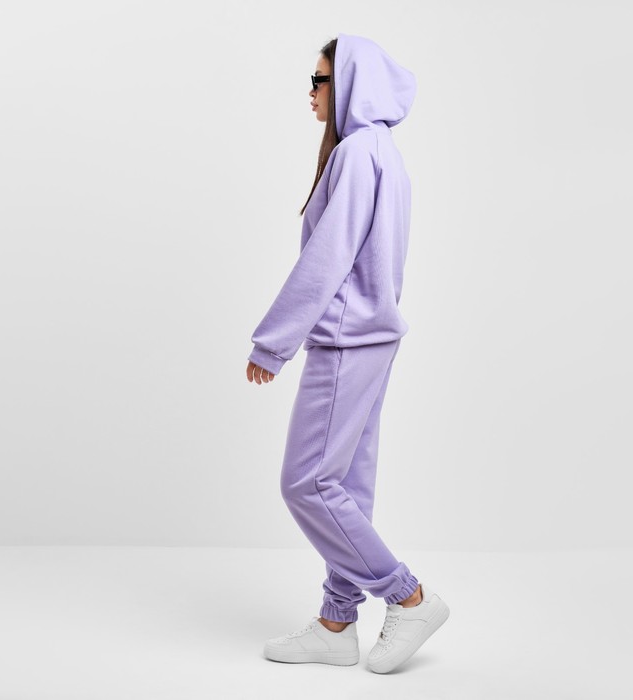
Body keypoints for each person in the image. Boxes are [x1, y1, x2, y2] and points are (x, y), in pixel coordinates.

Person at [245, 32, 449, 674]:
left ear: (350, 83)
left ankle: (409, 597)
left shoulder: (357, 153)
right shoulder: (382, 152)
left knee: (306, 483)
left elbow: (327, 256)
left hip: (347, 337)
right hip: (373, 336)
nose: (311, 92)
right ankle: (337, 621)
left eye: (320, 80)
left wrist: (273, 342)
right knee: (346, 488)